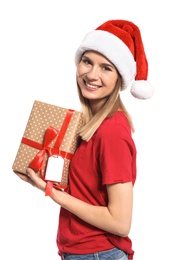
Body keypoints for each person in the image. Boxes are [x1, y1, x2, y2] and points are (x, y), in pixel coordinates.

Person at [15, 19, 154, 260]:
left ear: (120, 78)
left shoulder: (113, 131)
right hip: (85, 253)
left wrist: (53, 193)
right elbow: (87, 192)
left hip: (100, 254)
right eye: (87, 61)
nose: (92, 74)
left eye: (106, 68)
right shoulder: (89, 125)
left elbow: (120, 223)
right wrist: (41, 177)